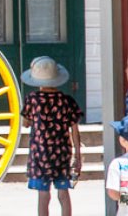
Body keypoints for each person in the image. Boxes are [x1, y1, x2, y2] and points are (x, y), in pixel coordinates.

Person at [21, 56, 83, 216]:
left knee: (43, 194)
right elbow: (75, 130)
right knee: (63, 193)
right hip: (62, 153)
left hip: (40, 154)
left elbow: (25, 123)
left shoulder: (32, 100)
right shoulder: (67, 101)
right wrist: (78, 154)